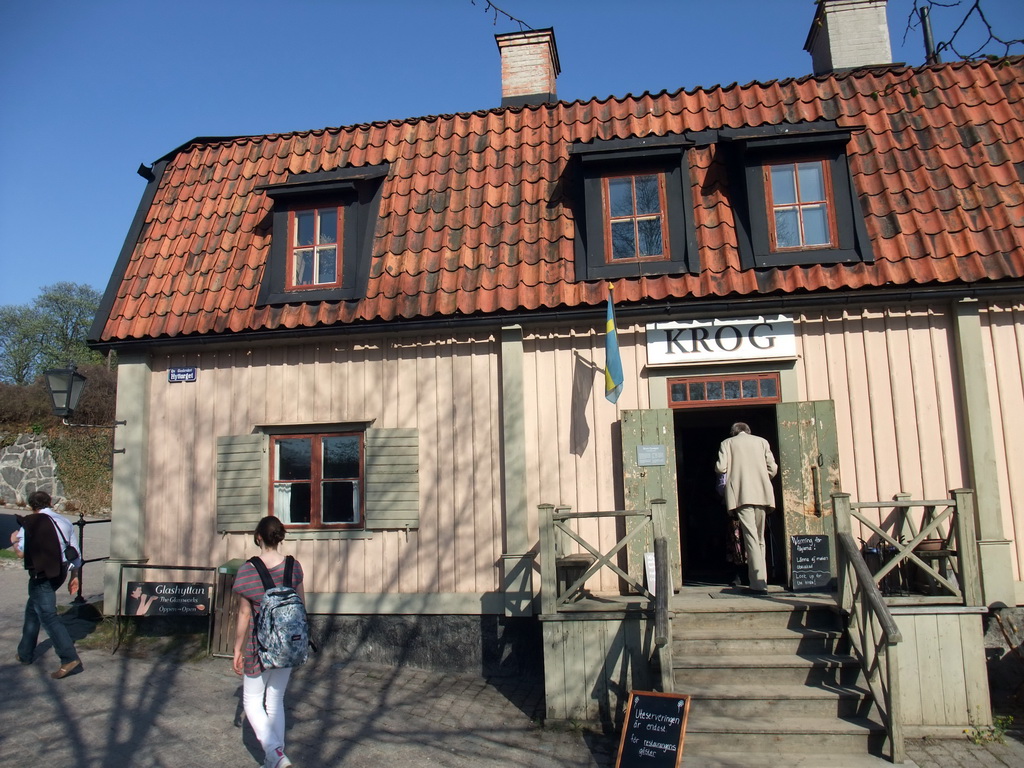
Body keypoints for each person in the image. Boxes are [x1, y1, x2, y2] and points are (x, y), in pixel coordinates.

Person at [233, 516, 304, 768]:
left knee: (251, 701)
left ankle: (274, 753)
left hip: (258, 645)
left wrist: (237, 649)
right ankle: (274, 758)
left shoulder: (248, 570)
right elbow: (301, 606)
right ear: (280, 537)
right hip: (288, 644)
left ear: (259, 537)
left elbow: (243, 614)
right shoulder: (294, 567)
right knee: (275, 700)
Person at [13, 490, 82, 678]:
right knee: (32, 608)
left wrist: (13, 541)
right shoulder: (64, 522)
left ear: (30, 506)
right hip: (60, 571)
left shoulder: (31, 523)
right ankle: (25, 653)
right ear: (50, 502)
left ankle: (69, 657)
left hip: (42, 573)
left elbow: (20, 552)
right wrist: (74, 575)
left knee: (48, 615)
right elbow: (74, 551)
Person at [715, 422, 778, 594]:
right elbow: (773, 468)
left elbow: (721, 468)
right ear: (748, 431)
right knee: (760, 538)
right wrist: (762, 477)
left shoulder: (727, 443)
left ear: (733, 432)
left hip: (742, 494)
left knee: (750, 537)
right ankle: (762, 580)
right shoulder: (762, 442)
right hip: (762, 493)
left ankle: (758, 584)